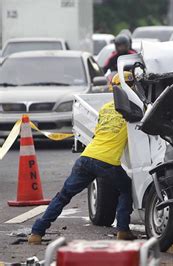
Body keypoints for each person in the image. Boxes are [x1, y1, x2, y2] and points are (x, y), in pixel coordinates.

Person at [28, 72, 136, 244]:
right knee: (125, 190)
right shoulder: (132, 110)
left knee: (63, 196)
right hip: (108, 162)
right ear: (133, 88)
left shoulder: (105, 107)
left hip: (86, 158)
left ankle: (36, 232)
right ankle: (123, 229)